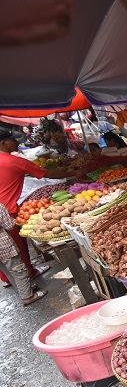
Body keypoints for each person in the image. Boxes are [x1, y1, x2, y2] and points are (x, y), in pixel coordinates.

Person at [0, 128, 80, 285]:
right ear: (3, 143)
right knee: (18, 247)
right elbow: (47, 174)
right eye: (13, 140)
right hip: (7, 210)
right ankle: (29, 274)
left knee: (4, 249)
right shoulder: (13, 160)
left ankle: (6, 278)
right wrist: (73, 173)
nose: (16, 142)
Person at [0, 203, 46, 305]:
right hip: (3, 247)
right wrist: (14, 220)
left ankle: (24, 291)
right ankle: (28, 297)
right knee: (19, 271)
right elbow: (9, 226)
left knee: (8, 271)